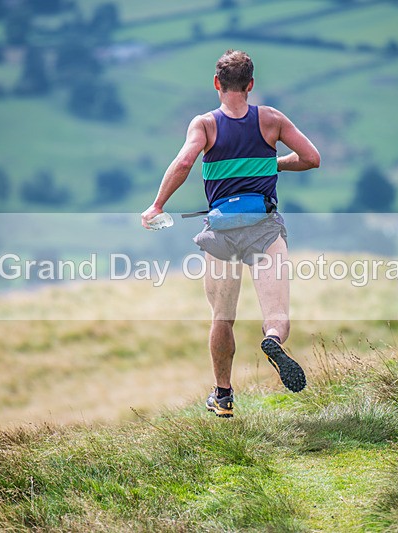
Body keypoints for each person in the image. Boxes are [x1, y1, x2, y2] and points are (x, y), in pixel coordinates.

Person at [141, 49, 320, 418]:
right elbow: (311, 158)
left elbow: (185, 161)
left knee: (222, 317)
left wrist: (157, 204)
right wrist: (275, 163)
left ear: (216, 84)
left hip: (220, 232)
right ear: (251, 85)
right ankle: (272, 341)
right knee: (276, 312)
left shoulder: (205, 125)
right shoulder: (271, 120)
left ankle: (223, 397)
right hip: (264, 227)